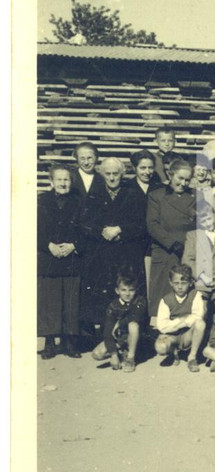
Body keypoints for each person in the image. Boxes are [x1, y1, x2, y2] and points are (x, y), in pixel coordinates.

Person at [77, 157, 148, 336]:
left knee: (128, 290)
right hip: (102, 253)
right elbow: (84, 223)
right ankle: (105, 336)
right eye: (107, 174)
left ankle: (129, 333)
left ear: (122, 174)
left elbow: (141, 224)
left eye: (115, 174)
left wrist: (120, 229)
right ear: (102, 174)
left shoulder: (133, 193)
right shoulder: (93, 194)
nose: (111, 178)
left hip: (126, 253)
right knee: (104, 293)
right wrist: (102, 231)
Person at [38, 164, 85, 359]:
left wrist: (74, 245)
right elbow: (34, 228)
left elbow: (86, 228)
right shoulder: (42, 201)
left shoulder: (79, 202)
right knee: (50, 301)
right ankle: (50, 342)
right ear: (51, 182)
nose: (63, 183)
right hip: (49, 257)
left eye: (66, 179)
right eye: (59, 179)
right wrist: (48, 245)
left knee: (71, 301)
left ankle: (70, 342)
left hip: (71, 258)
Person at [146, 157, 197, 319]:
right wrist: (173, 244)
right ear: (170, 175)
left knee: (185, 295)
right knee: (161, 294)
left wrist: (189, 247)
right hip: (165, 251)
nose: (183, 183)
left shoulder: (196, 197)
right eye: (180, 178)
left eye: (187, 180)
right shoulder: (157, 196)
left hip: (188, 252)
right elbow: (152, 225)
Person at [153, 263, 206, 372]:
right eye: (176, 283)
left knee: (200, 324)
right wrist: (182, 321)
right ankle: (173, 352)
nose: (180, 286)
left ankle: (192, 357)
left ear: (191, 283)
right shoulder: (166, 300)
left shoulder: (195, 295)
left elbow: (198, 316)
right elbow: (162, 326)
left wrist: (178, 323)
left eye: (184, 283)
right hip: (172, 336)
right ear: (170, 283)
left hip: (188, 335)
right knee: (160, 347)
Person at [90, 271, 147, 372]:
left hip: (135, 337)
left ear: (136, 290)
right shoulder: (113, 306)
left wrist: (119, 323)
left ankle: (130, 359)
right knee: (97, 354)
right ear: (117, 290)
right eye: (123, 290)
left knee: (133, 325)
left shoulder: (140, 301)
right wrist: (113, 355)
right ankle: (120, 355)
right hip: (120, 338)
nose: (127, 294)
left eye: (131, 290)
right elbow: (107, 332)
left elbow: (135, 317)